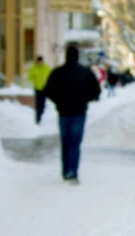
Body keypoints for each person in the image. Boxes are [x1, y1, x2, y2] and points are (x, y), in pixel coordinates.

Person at [44, 45, 101, 185]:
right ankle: (73, 172)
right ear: (77, 56)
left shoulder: (57, 72)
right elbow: (96, 92)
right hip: (79, 112)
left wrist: (58, 100)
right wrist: (85, 99)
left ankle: (65, 171)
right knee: (75, 143)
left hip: (63, 112)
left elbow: (48, 90)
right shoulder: (86, 73)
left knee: (65, 142)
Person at [27, 56, 51, 125]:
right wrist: (35, 82)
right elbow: (30, 76)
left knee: (43, 104)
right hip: (37, 88)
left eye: (40, 61)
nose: (39, 63)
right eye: (38, 62)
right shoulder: (34, 68)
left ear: (42, 61)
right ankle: (38, 119)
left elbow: (51, 76)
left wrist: (48, 84)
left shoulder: (46, 68)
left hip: (44, 88)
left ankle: (41, 115)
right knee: (38, 104)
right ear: (37, 62)